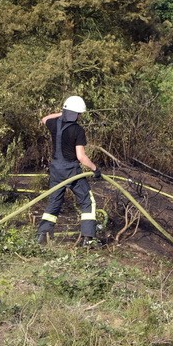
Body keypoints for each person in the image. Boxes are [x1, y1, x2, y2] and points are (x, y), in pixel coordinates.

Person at [36, 95, 101, 246]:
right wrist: (95, 169)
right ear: (77, 114)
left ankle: (42, 236)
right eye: (79, 113)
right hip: (71, 171)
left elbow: (44, 119)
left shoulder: (53, 123)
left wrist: (62, 113)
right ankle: (88, 238)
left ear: (65, 111)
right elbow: (81, 157)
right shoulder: (77, 130)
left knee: (54, 201)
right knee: (87, 202)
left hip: (55, 170)